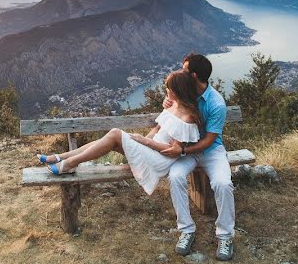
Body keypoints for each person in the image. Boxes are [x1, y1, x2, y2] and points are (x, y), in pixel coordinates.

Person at [35, 70, 200, 196]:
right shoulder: (172, 105)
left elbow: (173, 153)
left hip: (160, 160)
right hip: (151, 149)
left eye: (168, 88)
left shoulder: (187, 118)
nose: (166, 90)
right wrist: (144, 140)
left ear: (177, 90)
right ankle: (62, 158)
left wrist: (145, 141)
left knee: (114, 134)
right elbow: (157, 129)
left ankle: (68, 164)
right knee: (110, 139)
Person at [161, 52, 235, 261]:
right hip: (186, 149)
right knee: (175, 177)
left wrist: (182, 151)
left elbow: (210, 140)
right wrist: (167, 103)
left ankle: (225, 235)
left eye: (183, 70)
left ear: (193, 75)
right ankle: (187, 229)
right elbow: (172, 111)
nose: (179, 72)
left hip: (210, 151)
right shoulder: (184, 91)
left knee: (223, 184)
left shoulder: (216, 103)